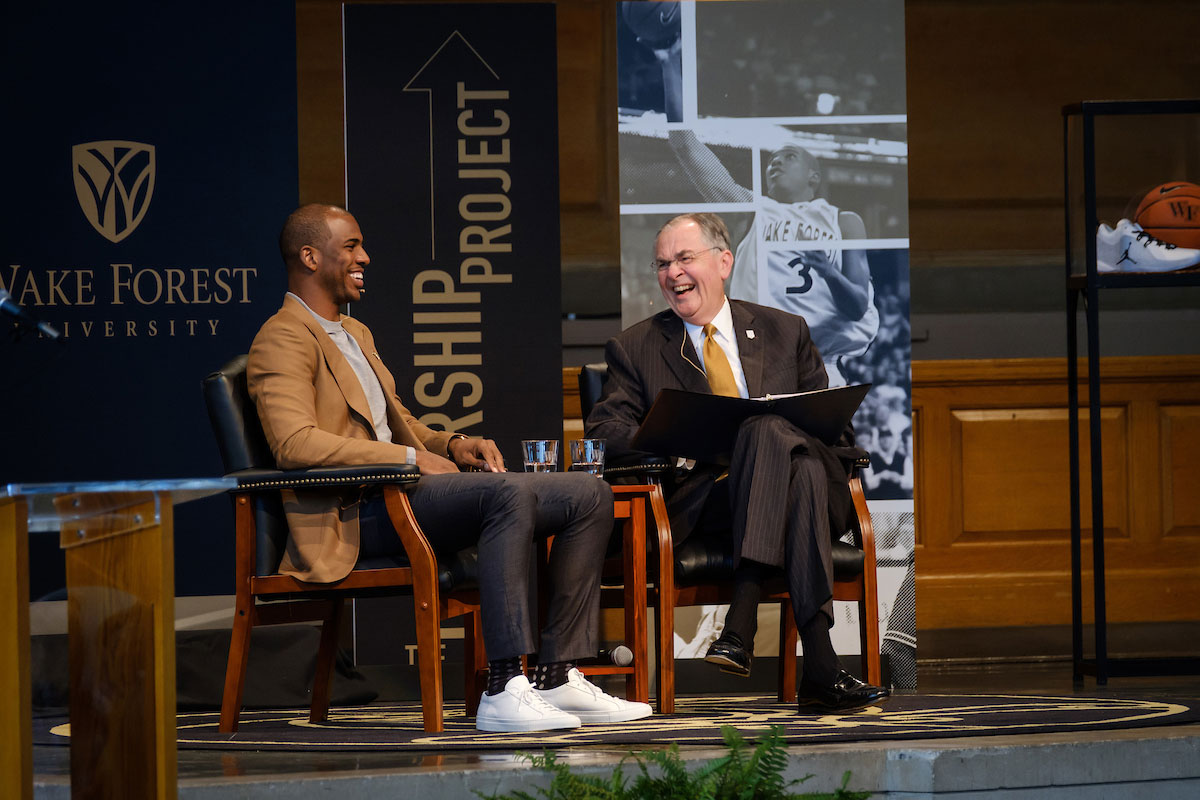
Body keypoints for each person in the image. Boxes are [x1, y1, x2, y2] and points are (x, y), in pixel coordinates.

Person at [247, 204, 651, 733]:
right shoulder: (281, 337)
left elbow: (399, 422)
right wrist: (412, 459)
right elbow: (294, 444)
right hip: (352, 514)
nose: (364, 257)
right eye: (350, 247)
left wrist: (454, 444)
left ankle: (557, 673)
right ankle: (504, 686)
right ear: (309, 256)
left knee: (585, 494)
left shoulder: (355, 334)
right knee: (507, 494)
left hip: (402, 496)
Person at [586, 212, 888, 713]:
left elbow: (838, 429)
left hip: (807, 495)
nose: (673, 273)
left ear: (723, 262)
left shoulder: (784, 330)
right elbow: (605, 434)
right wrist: (681, 436)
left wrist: (774, 433)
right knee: (795, 464)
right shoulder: (636, 348)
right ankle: (820, 666)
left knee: (774, 436)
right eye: (663, 264)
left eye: (685, 258)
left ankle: (740, 621)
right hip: (710, 504)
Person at [666, 129, 878, 386]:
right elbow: (692, 155)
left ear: (813, 177)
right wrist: (678, 123)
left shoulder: (843, 221)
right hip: (760, 363)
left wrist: (828, 272)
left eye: (789, 157)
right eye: (771, 161)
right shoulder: (756, 209)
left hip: (821, 364)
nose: (776, 162)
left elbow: (857, 307)